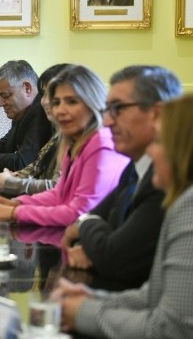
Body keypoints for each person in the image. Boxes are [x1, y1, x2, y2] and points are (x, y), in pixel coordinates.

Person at [56, 92, 193, 339]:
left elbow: (174, 332)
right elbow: (157, 294)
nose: (151, 153)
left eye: (157, 141)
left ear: (186, 149)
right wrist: (94, 299)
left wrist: (82, 313)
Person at [61, 66, 182, 288]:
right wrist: (94, 236)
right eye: (108, 110)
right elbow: (89, 226)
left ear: (157, 113)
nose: (107, 122)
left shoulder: (167, 178)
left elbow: (114, 257)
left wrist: (89, 228)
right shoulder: (134, 168)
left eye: (118, 109)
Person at [0, 65, 129, 226]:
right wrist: (16, 203)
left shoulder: (102, 143)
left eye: (72, 102)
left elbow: (78, 213)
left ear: (93, 102)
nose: (60, 110)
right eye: (56, 102)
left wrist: (14, 212)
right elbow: (59, 193)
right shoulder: (74, 141)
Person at [0, 63, 71, 196]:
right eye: (43, 94)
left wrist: (11, 184)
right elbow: (39, 164)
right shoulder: (62, 132)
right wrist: (16, 176)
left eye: (51, 95)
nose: (44, 101)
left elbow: (57, 188)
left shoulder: (81, 138)